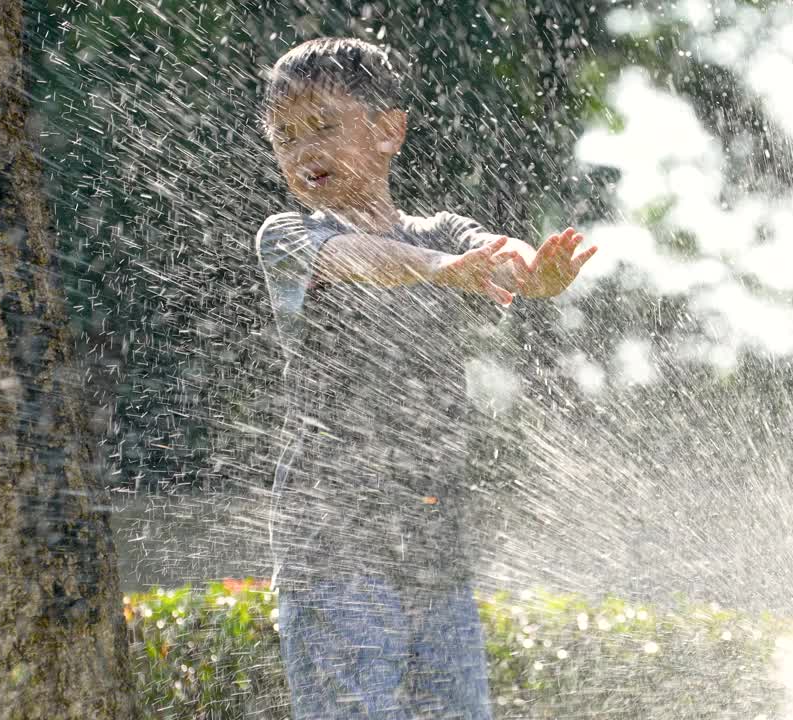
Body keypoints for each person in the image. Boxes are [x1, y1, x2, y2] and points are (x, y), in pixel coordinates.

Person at [253, 37, 597, 719]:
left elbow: (500, 257)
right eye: (285, 136)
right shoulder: (286, 238)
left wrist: (537, 275)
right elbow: (357, 258)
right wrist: (437, 270)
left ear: (388, 130)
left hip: (435, 562)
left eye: (324, 125)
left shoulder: (442, 230)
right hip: (332, 563)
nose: (303, 149)